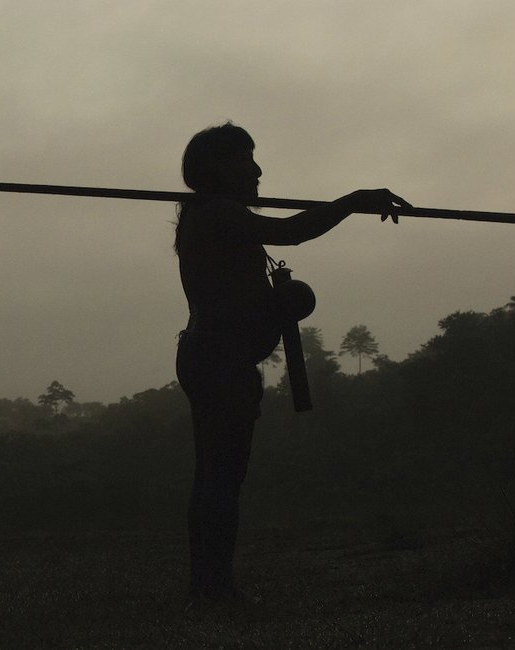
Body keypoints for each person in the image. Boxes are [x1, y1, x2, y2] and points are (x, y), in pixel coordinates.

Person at [174, 122, 409, 600]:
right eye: (245, 160)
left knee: (217, 476)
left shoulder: (217, 216)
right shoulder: (219, 214)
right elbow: (292, 231)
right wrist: (354, 201)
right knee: (221, 477)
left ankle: (209, 585)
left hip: (217, 359)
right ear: (217, 169)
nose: (257, 171)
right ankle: (213, 589)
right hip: (218, 363)